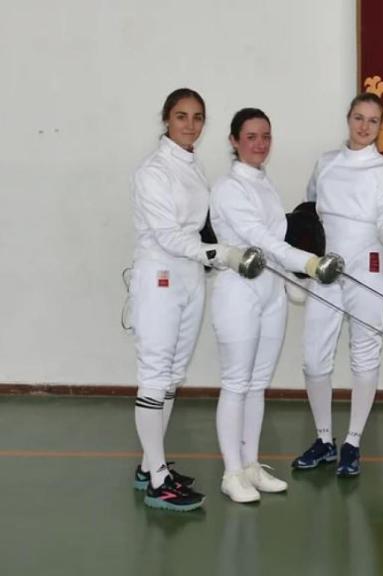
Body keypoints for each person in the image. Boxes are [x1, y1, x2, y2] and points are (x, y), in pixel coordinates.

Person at [210, 108, 340, 502]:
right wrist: (309, 263)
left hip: (271, 292)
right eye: (250, 136)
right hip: (238, 292)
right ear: (234, 141)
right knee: (235, 383)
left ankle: (250, 464)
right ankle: (231, 472)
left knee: (257, 384)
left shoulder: (265, 185)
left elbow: (278, 233)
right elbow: (259, 238)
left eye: (265, 136)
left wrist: (299, 267)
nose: (260, 144)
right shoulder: (227, 188)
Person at [130, 88, 245, 511]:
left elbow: (201, 229)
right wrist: (218, 254)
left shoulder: (193, 167)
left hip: (190, 278)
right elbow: (168, 236)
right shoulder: (153, 171)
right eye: (182, 116)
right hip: (159, 277)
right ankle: (159, 479)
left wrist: (214, 253)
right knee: (154, 375)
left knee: (173, 374)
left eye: (198, 117)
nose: (190, 124)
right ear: (167, 119)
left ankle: (149, 465)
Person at [292, 93, 383, 477]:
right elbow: (311, 211)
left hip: (369, 266)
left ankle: (353, 442)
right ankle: (325, 438)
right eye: (358, 118)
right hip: (327, 269)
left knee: (364, 353)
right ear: (348, 119)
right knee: (314, 356)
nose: (364, 126)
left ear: (381, 126)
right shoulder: (326, 163)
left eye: (372, 121)